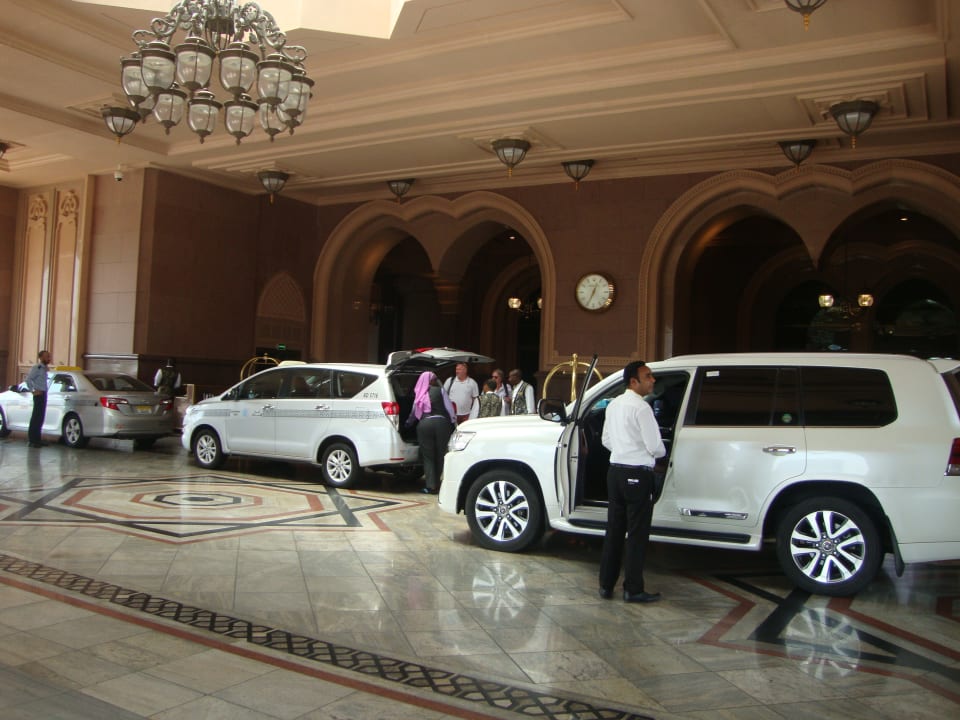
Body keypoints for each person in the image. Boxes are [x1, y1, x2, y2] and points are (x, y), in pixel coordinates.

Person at [598, 360, 666, 603]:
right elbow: (655, 447)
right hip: (638, 473)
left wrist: (623, 450)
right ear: (634, 381)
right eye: (648, 376)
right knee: (636, 533)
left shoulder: (614, 405)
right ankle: (633, 589)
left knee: (614, 530)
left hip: (615, 472)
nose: (653, 380)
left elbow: (606, 439)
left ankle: (606, 585)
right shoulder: (642, 408)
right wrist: (651, 454)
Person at [407, 371, 456, 494]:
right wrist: (454, 421)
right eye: (434, 378)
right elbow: (449, 407)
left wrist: (408, 423)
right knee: (441, 455)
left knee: (428, 456)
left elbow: (414, 412)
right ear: (431, 380)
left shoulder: (420, 393)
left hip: (425, 424)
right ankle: (439, 484)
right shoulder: (440, 391)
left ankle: (430, 486)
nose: (435, 380)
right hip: (442, 424)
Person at [26, 349, 51, 448]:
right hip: (38, 394)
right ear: (40, 358)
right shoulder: (37, 367)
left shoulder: (45, 368)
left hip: (44, 393)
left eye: (48, 356)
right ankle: (32, 440)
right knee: (36, 417)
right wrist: (33, 390)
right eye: (46, 356)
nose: (48, 358)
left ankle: (38, 439)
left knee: (41, 417)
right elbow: (28, 380)